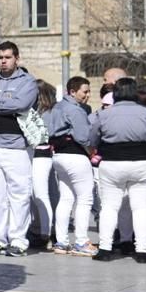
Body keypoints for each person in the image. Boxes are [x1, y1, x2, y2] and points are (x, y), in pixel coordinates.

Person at [89, 77, 146, 263]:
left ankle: (105, 249)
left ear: (116, 94)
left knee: (109, 207)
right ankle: (142, 251)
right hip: (143, 162)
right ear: (134, 93)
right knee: (141, 207)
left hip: (112, 163)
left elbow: (93, 139)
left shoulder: (104, 115)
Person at [0, 42, 37, 258]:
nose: (3, 61)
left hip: (16, 147)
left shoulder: (28, 82)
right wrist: (4, 102)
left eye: (7, 57)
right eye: (0, 57)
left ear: (17, 58)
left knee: (19, 194)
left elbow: (21, 104)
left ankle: (18, 239)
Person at [48, 76, 97, 257]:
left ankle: (61, 242)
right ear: (73, 91)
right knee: (85, 199)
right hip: (75, 155)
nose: (87, 95)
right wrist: (92, 147)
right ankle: (81, 241)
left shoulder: (57, 107)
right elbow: (83, 136)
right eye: (85, 91)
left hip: (59, 155)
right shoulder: (75, 110)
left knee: (66, 198)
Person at [29, 80, 57, 249]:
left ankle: (44, 233)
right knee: (45, 194)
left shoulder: (42, 114)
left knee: (40, 195)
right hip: (45, 155)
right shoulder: (51, 111)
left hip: (39, 154)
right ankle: (43, 230)